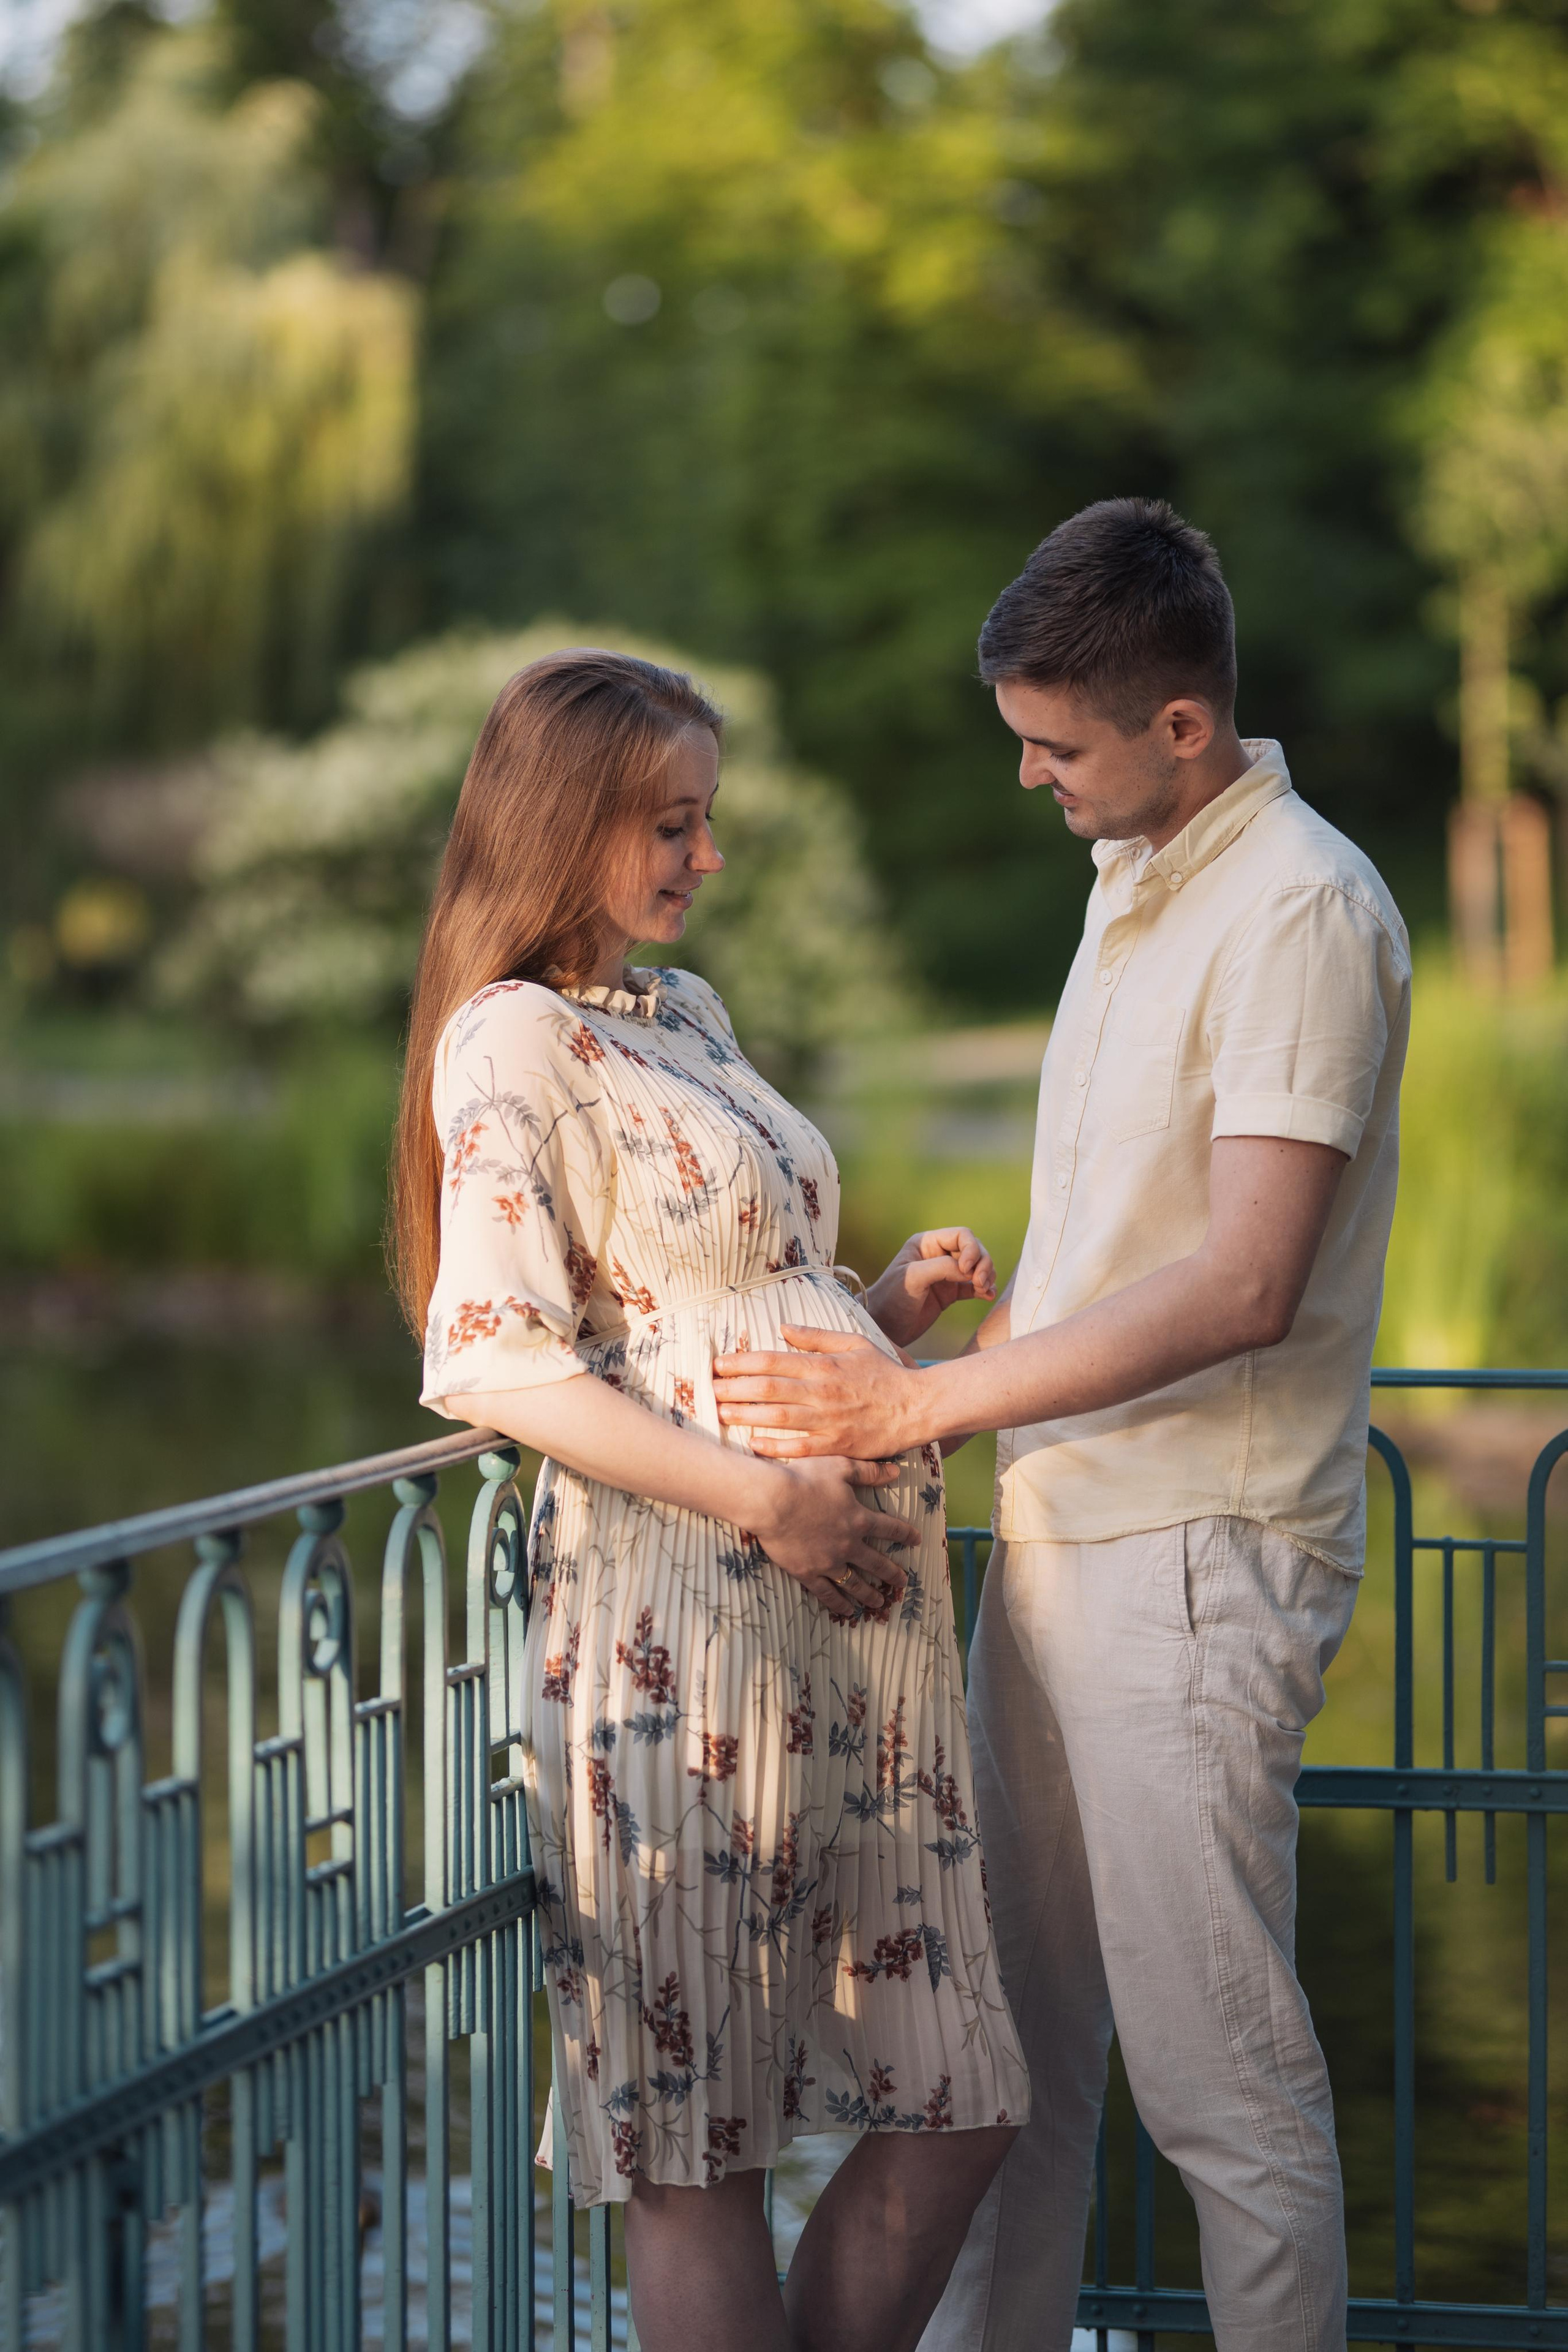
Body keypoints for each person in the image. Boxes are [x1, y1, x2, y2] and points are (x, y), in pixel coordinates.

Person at [711, 499, 1411, 2352]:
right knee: (997, 2083)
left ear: (1182, 726)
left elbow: (1247, 1280)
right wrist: (938, 1354)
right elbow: (1122, 1252)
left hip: (1198, 1556)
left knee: (1223, 2090)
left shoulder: (1305, 909)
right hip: (1054, 1540)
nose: (1030, 779)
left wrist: (917, 1394)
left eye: (1056, 746)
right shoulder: (1130, 884)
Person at [391, 647, 1029, 2352]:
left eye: (707, 820)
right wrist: (771, 1501)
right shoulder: (506, 1044)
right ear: (563, 825)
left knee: (962, 2101)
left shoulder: (684, 1017)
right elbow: (496, 1363)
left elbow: (729, 1303)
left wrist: (880, 1317)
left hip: (852, 1659)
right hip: (689, 1638)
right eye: (669, 824)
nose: (705, 856)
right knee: (702, 2143)